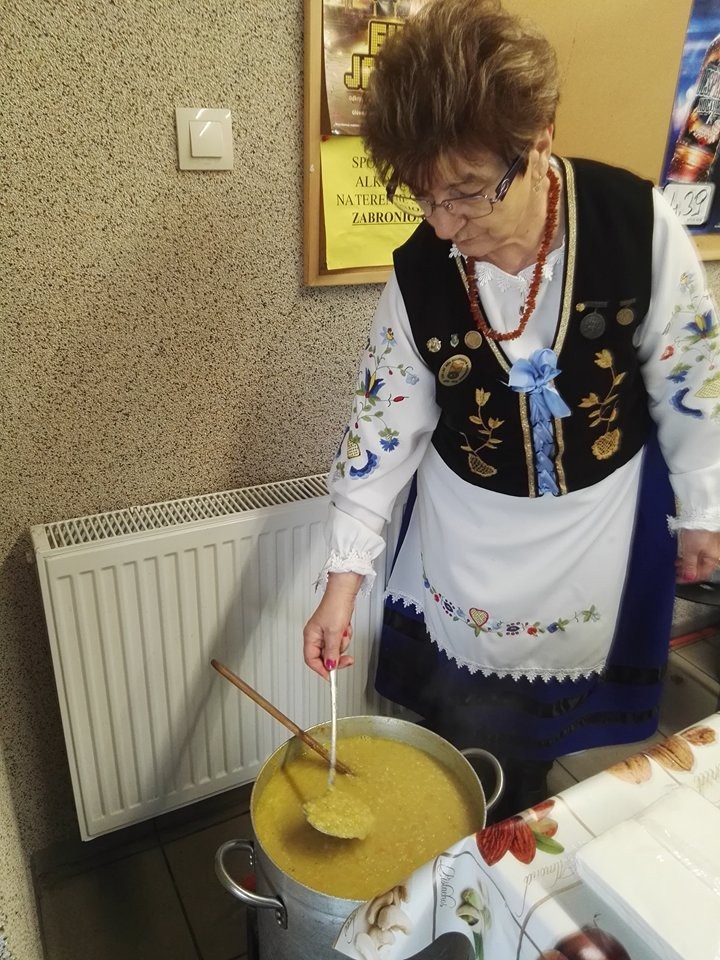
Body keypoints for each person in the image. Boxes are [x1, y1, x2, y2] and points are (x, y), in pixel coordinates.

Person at [303, 0, 720, 819]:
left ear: (539, 141)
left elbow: (693, 379)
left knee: (544, 737)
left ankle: (511, 826)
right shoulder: (422, 271)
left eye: (467, 194)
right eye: (425, 198)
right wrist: (341, 583)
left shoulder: (635, 225)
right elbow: (381, 432)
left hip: (596, 527)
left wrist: (704, 507)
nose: (445, 227)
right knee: (460, 724)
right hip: (468, 533)